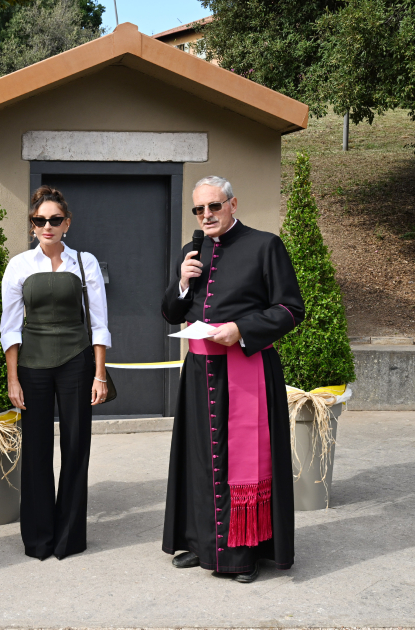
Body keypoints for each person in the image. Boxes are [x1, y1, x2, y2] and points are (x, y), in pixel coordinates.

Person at [161, 176, 305, 583]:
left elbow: (291, 309)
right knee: (199, 459)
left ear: (233, 204)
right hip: (199, 371)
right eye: (199, 209)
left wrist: (241, 329)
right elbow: (171, 313)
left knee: (244, 462)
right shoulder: (192, 251)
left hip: (247, 368)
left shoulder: (265, 245)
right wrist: (182, 282)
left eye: (214, 206)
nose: (206, 215)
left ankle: (245, 553)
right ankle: (203, 543)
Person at [0, 185, 111, 560]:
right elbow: (10, 328)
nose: (47, 226)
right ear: (32, 224)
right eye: (40, 220)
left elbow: (99, 322)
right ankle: (38, 538)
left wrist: (99, 374)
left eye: (55, 219)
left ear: (67, 223)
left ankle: (69, 538)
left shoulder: (85, 262)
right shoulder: (19, 265)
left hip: (77, 362)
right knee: (35, 450)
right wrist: (13, 378)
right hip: (31, 367)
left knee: (76, 447)